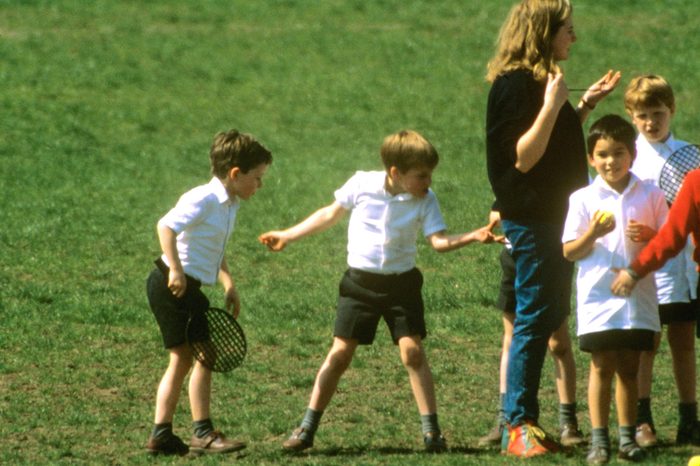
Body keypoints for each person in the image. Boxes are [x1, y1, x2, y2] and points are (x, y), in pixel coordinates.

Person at [259, 130, 499, 453]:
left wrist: (473, 236)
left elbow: (438, 242)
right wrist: (288, 235)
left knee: (412, 352)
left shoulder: (425, 200)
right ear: (395, 173)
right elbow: (329, 214)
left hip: (402, 286)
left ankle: (432, 432)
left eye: (430, 175)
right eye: (422, 176)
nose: (428, 182)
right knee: (340, 354)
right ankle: (306, 427)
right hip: (359, 285)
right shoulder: (361, 185)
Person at [485, 0, 620, 457]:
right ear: (542, 32)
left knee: (543, 317)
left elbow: (556, 145)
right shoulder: (516, 86)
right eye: (567, 29)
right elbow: (523, 157)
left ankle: (526, 421)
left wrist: (581, 106)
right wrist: (552, 105)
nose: (573, 37)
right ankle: (517, 426)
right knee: (533, 318)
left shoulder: (545, 84)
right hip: (534, 218)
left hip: (556, 218)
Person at [145, 129, 272, 456]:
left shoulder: (229, 204)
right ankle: (200, 433)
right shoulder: (204, 198)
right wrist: (174, 269)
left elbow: (215, 249)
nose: (260, 185)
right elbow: (166, 226)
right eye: (257, 178)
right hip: (172, 284)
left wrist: (229, 283)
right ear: (235, 174)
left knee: (189, 357)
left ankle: (164, 434)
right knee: (195, 355)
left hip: (189, 286)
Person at [563, 114, 667, 463]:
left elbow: (668, 244)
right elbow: (569, 251)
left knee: (629, 367)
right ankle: (599, 440)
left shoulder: (650, 194)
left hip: (637, 297)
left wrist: (651, 237)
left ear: (632, 155)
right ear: (592, 158)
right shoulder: (582, 198)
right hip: (598, 296)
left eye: (619, 153)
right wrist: (591, 233)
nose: (611, 161)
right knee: (602, 365)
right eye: (603, 154)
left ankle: (627, 438)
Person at [624, 74, 700, 447]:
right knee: (647, 343)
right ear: (631, 117)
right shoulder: (627, 160)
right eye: (642, 116)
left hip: (686, 268)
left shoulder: (691, 154)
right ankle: (642, 421)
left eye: (658, 113)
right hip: (650, 269)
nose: (651, 122)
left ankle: (689, 418)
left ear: (671, 111)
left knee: (684, 340)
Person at [478, 210, 583, 448]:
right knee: (512, 337)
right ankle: (505, 418)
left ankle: (568, 422)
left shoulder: (562, 177)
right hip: (514, 255)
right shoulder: (512, 174)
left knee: (558, 342)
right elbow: (498, 205)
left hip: (550, 256)